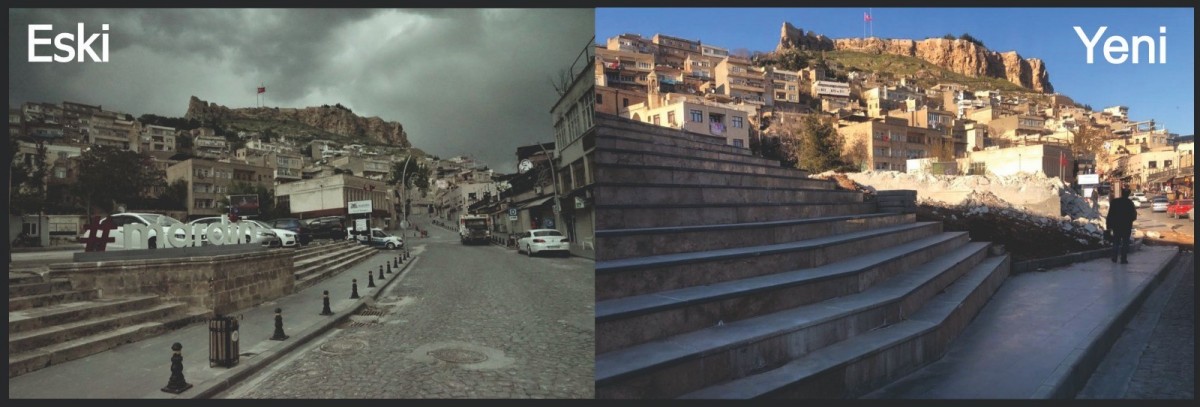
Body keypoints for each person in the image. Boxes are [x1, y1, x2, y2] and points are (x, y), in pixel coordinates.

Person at [1106, 188, 1137, 264]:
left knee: (1116, 242)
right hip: (1126, 226)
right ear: (1128, 195)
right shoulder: (1130, 203)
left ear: (1121, 193)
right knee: (1125, 243)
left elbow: (1110, 214)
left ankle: (1114, 257)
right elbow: (1134, 215)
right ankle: (1123, 259)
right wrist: (1129, 220)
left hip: (1116, 226)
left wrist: (1108, 225)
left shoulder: (1115, 202)